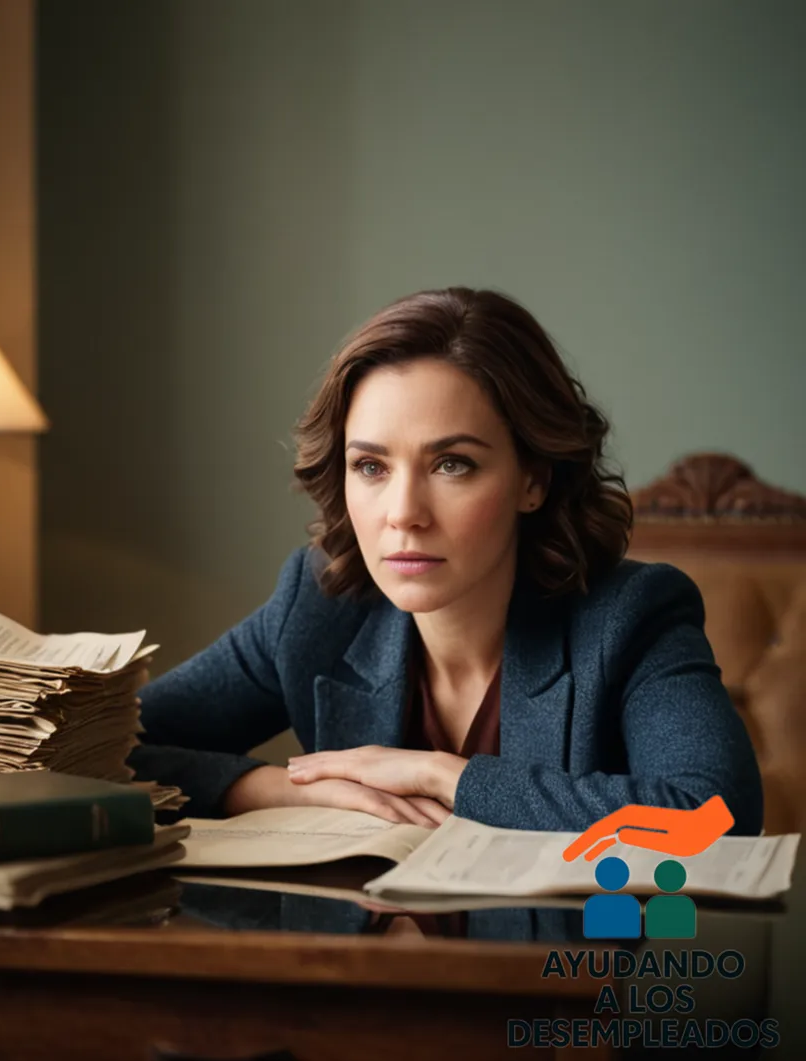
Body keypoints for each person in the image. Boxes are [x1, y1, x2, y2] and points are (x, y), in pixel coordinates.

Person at [128, 286, 764, 844]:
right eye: (371, 467)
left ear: (532, 480)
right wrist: (268, 788)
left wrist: (445, 776)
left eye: (451, 464)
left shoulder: (631, 617)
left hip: (566, 975)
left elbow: (716, 813)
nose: (403, 513)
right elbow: (88, 753)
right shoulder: (317, 606)